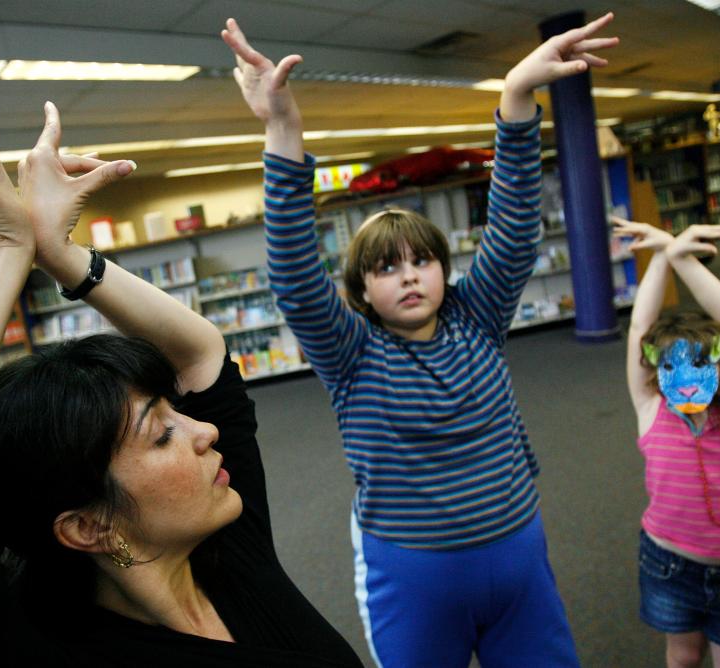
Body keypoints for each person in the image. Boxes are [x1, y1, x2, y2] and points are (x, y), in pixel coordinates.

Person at [0, 57, 363, 668]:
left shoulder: (224, 538)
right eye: (163, 433)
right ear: (87, 527)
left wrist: (60, 255)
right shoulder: (39, 652)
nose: (207, 430)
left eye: (175, 415)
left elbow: (201, 354)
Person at [223, 13, 618, 668]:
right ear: (361, 290)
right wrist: (283, 130)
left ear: (443, 267)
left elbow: (516, 225)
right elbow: (293, 276)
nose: (407, 274)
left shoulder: (478, 316)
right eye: (385, 267)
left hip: (519, 559)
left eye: (420, 259)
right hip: (415, 579)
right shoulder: (352, 353)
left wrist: (517, 95)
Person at [615, 218, 720, 668]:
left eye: (699, 367)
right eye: (672, 370)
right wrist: (662, 256)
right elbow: (638, 328)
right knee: (682, 657)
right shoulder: (652, 411)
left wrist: (683, 258)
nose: (685, 384)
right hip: (668, 567)